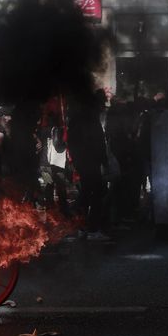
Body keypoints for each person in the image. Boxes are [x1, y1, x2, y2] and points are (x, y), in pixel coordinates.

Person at [68, 90, 111, 241]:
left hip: (82, 161)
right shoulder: (91, 119)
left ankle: (81, 226)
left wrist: (75, 160)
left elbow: (71, 142)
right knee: (97, 192)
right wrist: (104, 161)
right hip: (90, 161)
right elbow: (97, 142)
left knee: (88, 192)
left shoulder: (76, 118)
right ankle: (92, 228)